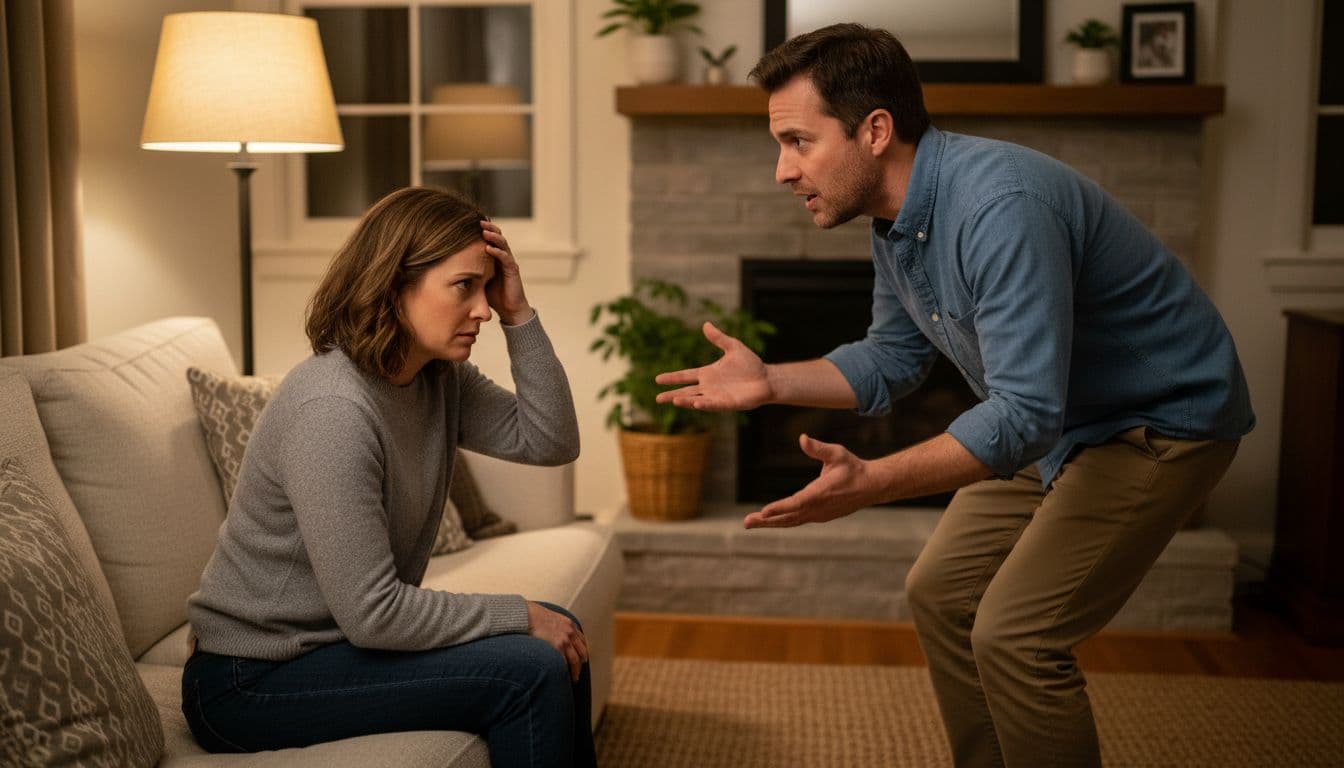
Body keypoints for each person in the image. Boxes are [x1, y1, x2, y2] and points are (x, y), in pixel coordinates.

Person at [654, 23, 1253, 768]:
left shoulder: (1000, 207)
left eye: (799, 141)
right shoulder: (895, 220)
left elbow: (1023, 412)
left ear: (875, 130)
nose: (781, 170)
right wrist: (772, 381)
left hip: (1157, 424)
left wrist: (872, 482)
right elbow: (892, 358)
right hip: (1063, 420)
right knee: (940, 593)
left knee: (1016, 635)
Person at [182, 186, 595, 768]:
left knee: (563, 632)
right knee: (529, 669)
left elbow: (550, 439)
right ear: (395, 283)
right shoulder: (332, 408)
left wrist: (518, 314)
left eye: (486, 288)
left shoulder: (434, 378)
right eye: (464, 287)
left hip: (338, 648)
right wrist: (521, 612)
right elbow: (374, 613)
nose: (482, 309)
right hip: (247, 679)